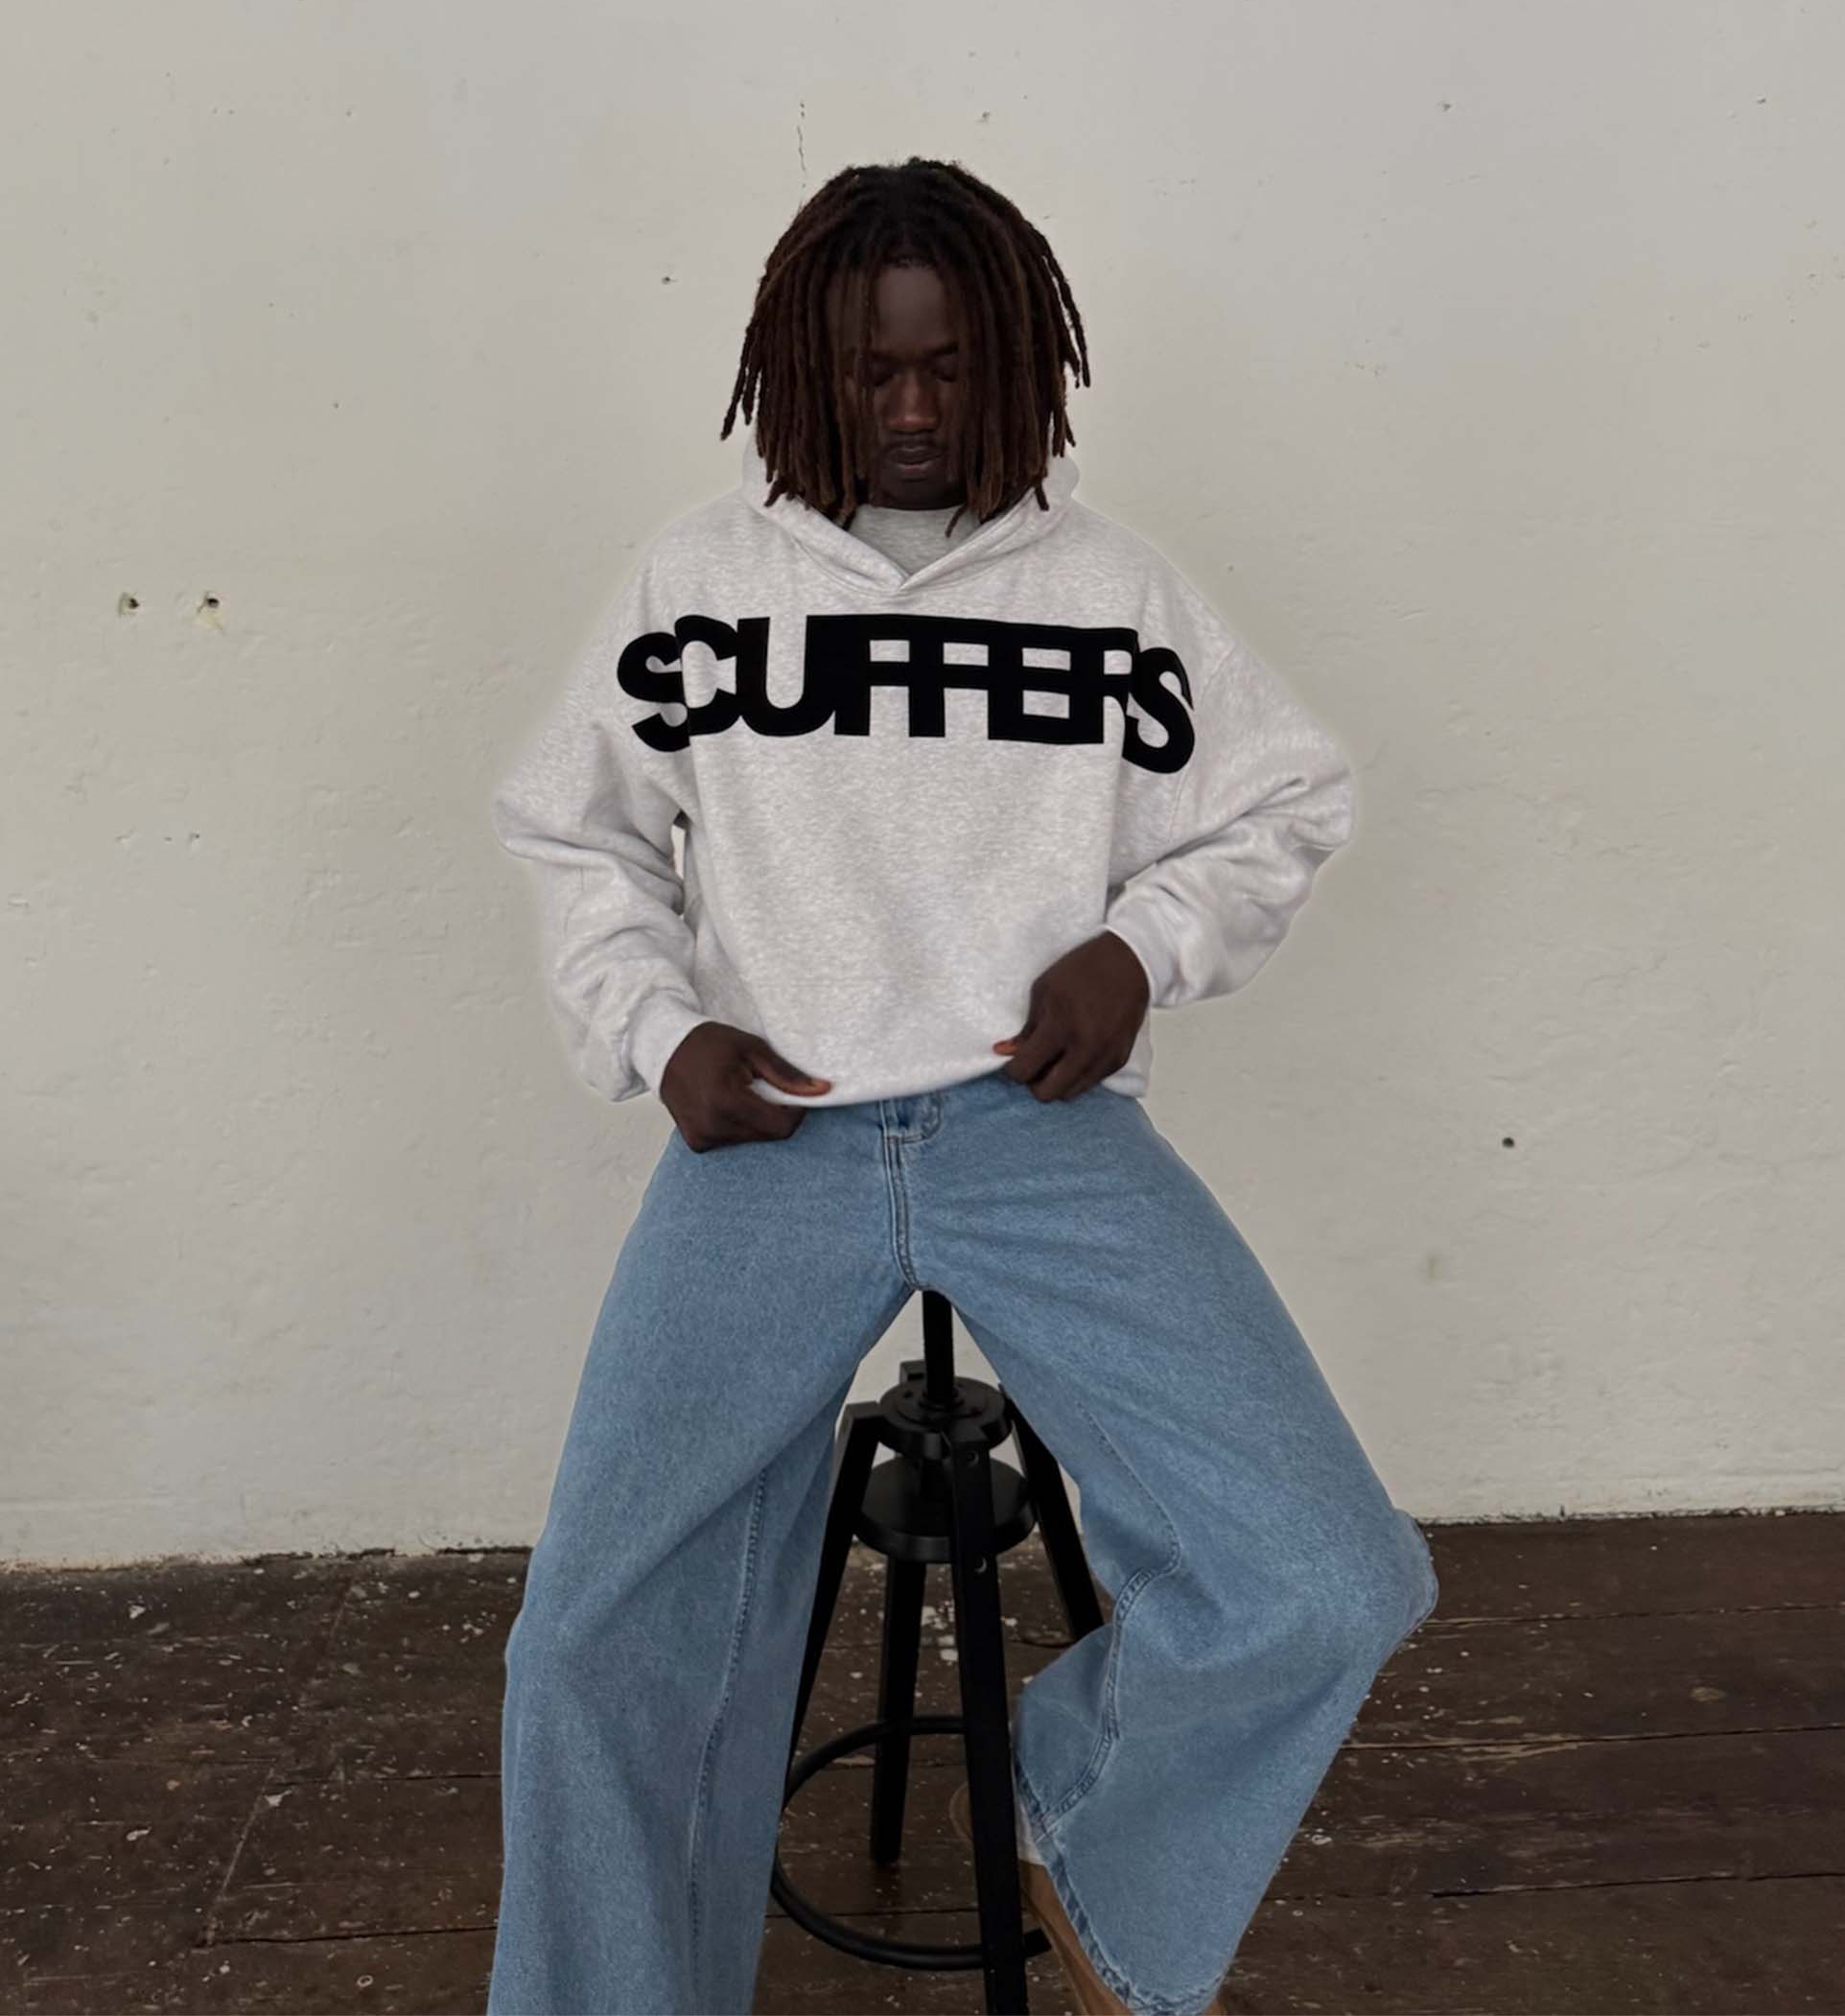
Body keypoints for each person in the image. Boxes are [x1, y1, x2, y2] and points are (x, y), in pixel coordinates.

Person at [484, 157, 1437, 2016]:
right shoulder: (702, 583)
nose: (912, 408)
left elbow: (1283, 800)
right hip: (773, 1134)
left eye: (946, 367)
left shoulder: (1111, 590)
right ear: (805, 369)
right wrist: (661, 1032)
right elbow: (574, 829)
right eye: (871, 370)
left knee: (1326, 1572)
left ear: (1011, 360)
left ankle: (1083, 1829)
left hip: (1035, 1132)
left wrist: (1139, 947)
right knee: (583, 1645)